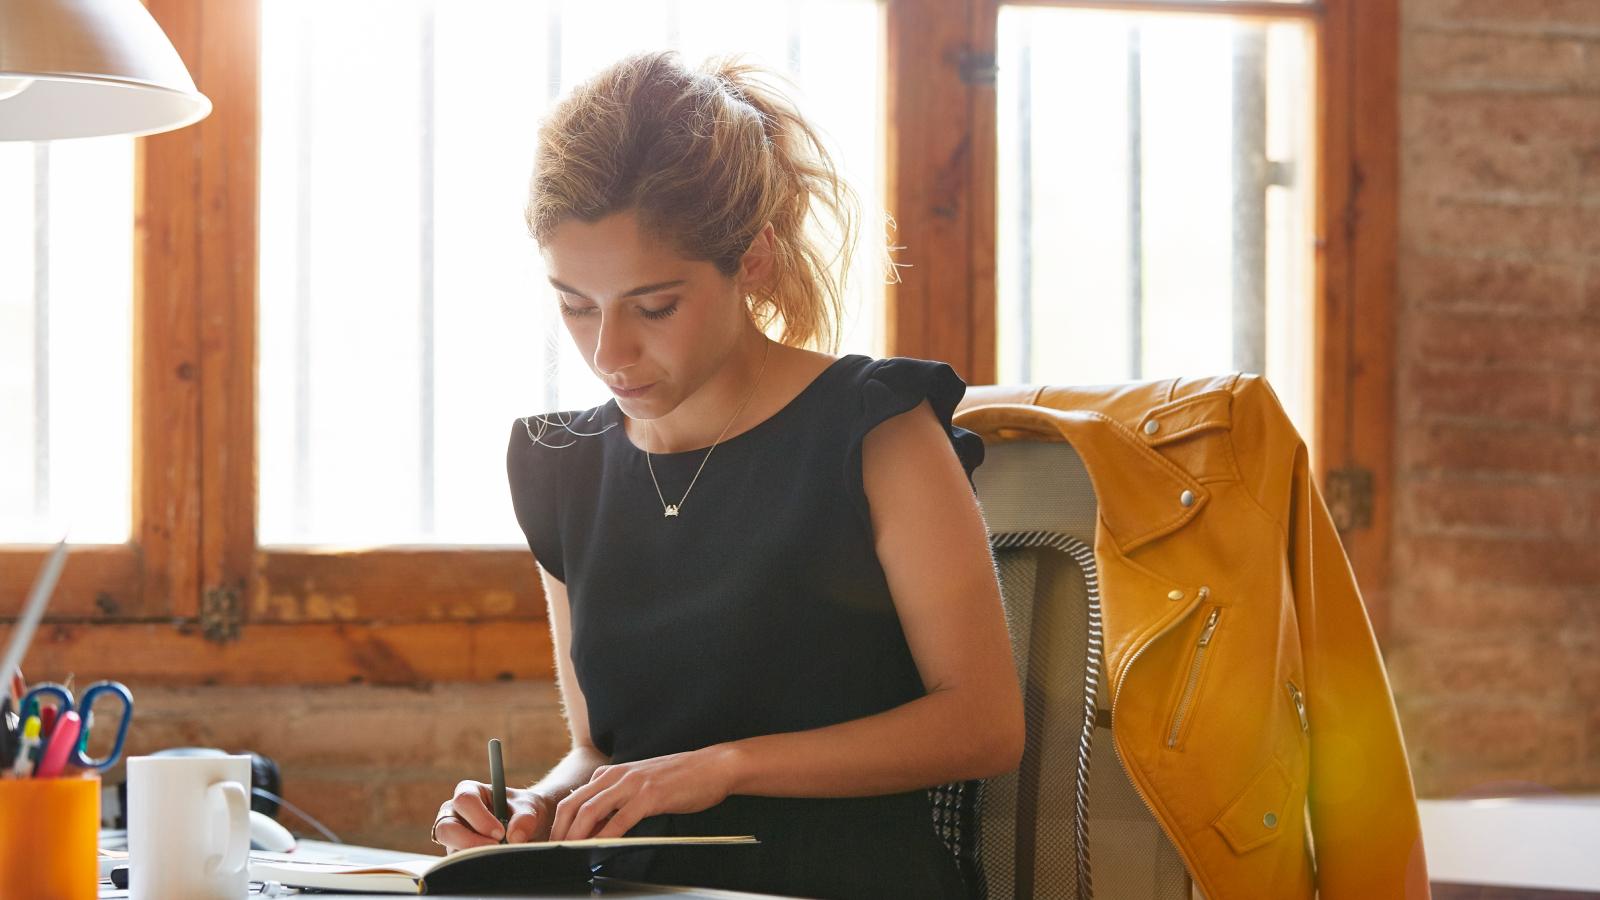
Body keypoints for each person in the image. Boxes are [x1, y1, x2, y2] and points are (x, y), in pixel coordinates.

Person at [432, 49, 1023, 899]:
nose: (609, 352)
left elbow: (984, 726)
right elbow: (602, 752)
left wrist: (723, 769)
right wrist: (530, 809)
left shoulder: (876, 428)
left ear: (752, 260)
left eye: (655, 305)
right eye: (575, 304)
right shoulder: (560, 467)